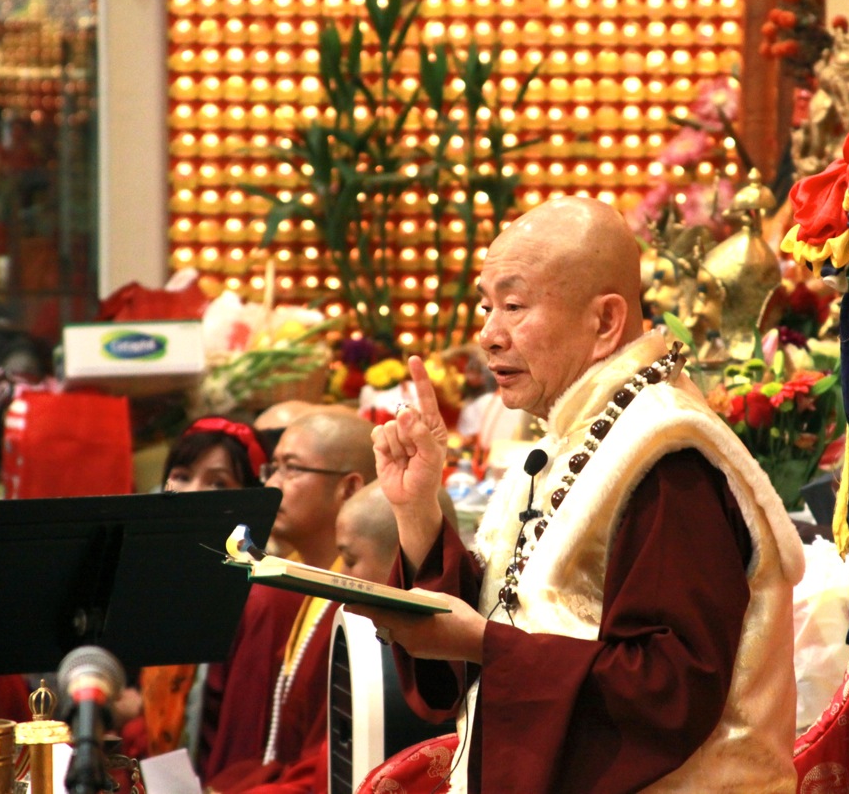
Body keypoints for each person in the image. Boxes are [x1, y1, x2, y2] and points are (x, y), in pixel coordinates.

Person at [352, 197, 804, 792]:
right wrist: (417, 512)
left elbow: (668, 692)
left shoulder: (667, 456)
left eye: (514, 306)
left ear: (605, 322)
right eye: (486, 307)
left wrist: (487, 646)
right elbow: (498, 622)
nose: (488, 335)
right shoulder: (568, 436)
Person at [203, 408, 376, 793]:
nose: (272, 485)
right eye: (273, 468)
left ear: (349, 488)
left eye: (292, 469)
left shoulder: (356, 606)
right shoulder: (286, 578)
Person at [120, 417, 269, 761]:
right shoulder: (147, 571)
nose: (193, 493)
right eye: (182, 476)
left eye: (218, 483)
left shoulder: (255, 595)